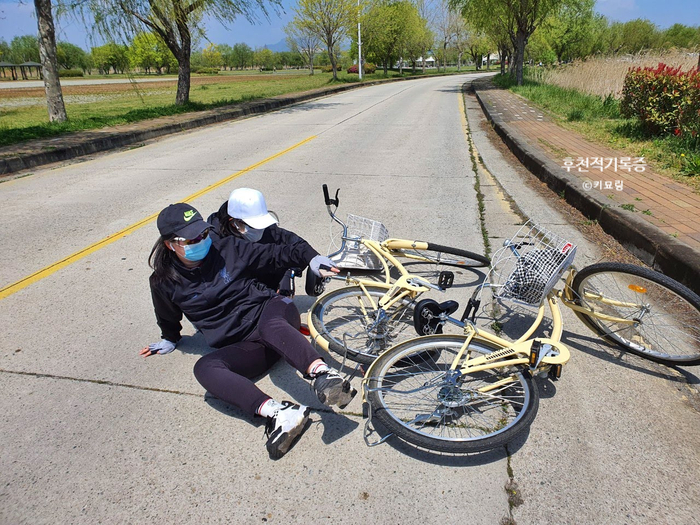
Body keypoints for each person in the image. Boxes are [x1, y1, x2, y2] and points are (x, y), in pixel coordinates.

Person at [141, 203, 354, 460]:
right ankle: (280, 414)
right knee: (205, 368)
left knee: (270, 326)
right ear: (170, 244)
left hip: (273, 312)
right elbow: (167, 314)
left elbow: (280, 252)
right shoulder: (163, 281)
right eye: (192, 239)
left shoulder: (228, 248)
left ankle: (324, 375)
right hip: (248, 345)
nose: (201, 241)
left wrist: (311, 258)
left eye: (204, 234)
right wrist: (169, 338)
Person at [208, 187, 309, 297]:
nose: (259, 230)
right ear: (234, 223)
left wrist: (289, 273)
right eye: (253, 226)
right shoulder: (212, 241)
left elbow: (299, 247)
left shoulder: (267, 229)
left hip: (266, 292)